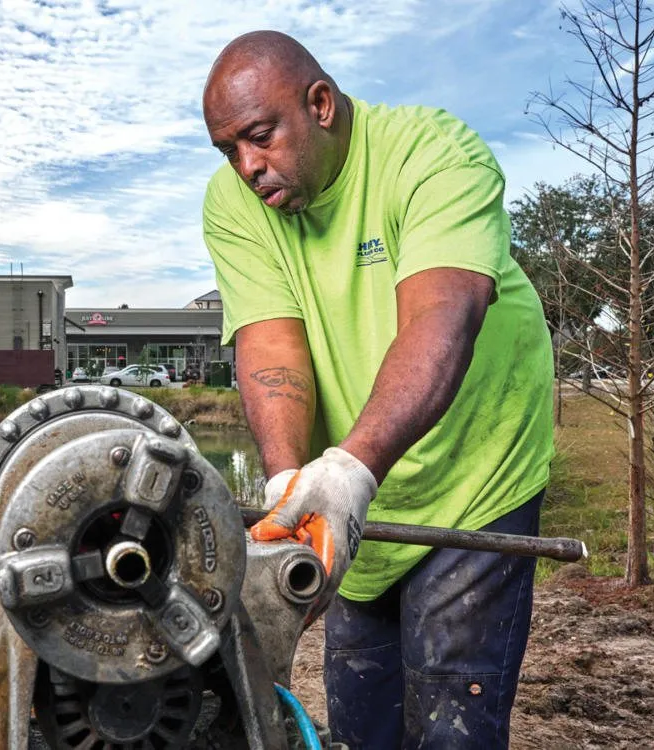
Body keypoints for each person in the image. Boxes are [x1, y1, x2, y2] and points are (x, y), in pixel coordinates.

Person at [201, 31, 554, 749]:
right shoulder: (235, 205)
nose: (247, 166)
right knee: (361, 720)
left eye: (259, 138)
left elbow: (440, 319)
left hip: (477, 470)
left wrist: (353, 467)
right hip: (353, 484)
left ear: (321, 104)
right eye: (228, 150)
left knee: (450, 720)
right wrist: (291, 483)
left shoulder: (433, 154)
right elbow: (271, 348)